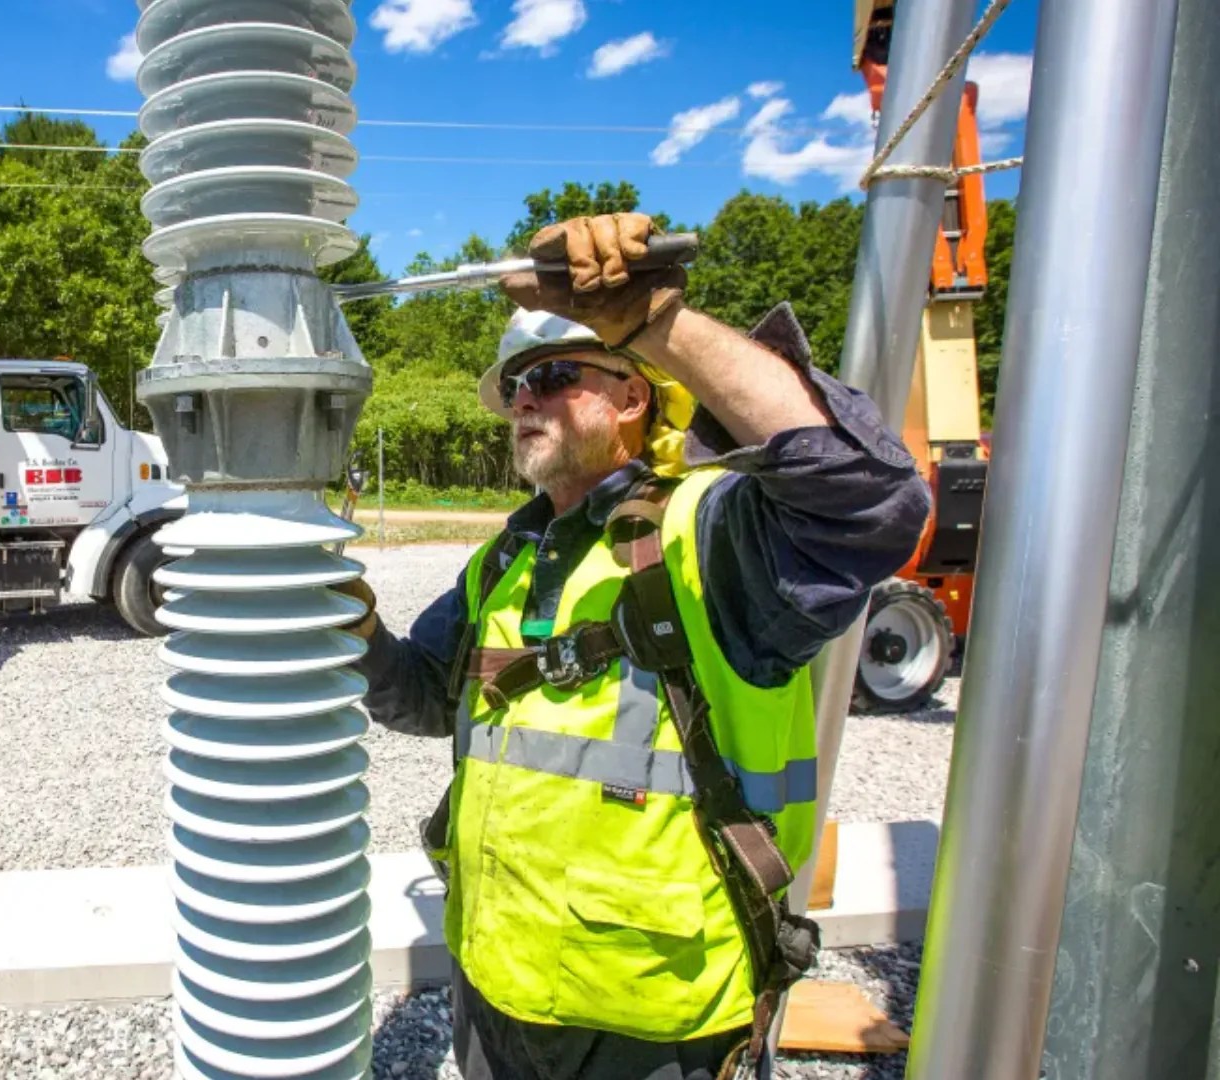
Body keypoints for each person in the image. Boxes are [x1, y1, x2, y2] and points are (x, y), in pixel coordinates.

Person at [340, 213, 931, 1080]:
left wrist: (654, 318)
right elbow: (426, 697)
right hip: (498, 995)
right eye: (514, 388)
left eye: (552, 374)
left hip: (654, 1025)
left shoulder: (707, 533)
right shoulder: (506, 560)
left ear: (632, 395)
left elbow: (870, 501)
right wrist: (352, 633)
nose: (524, 399)